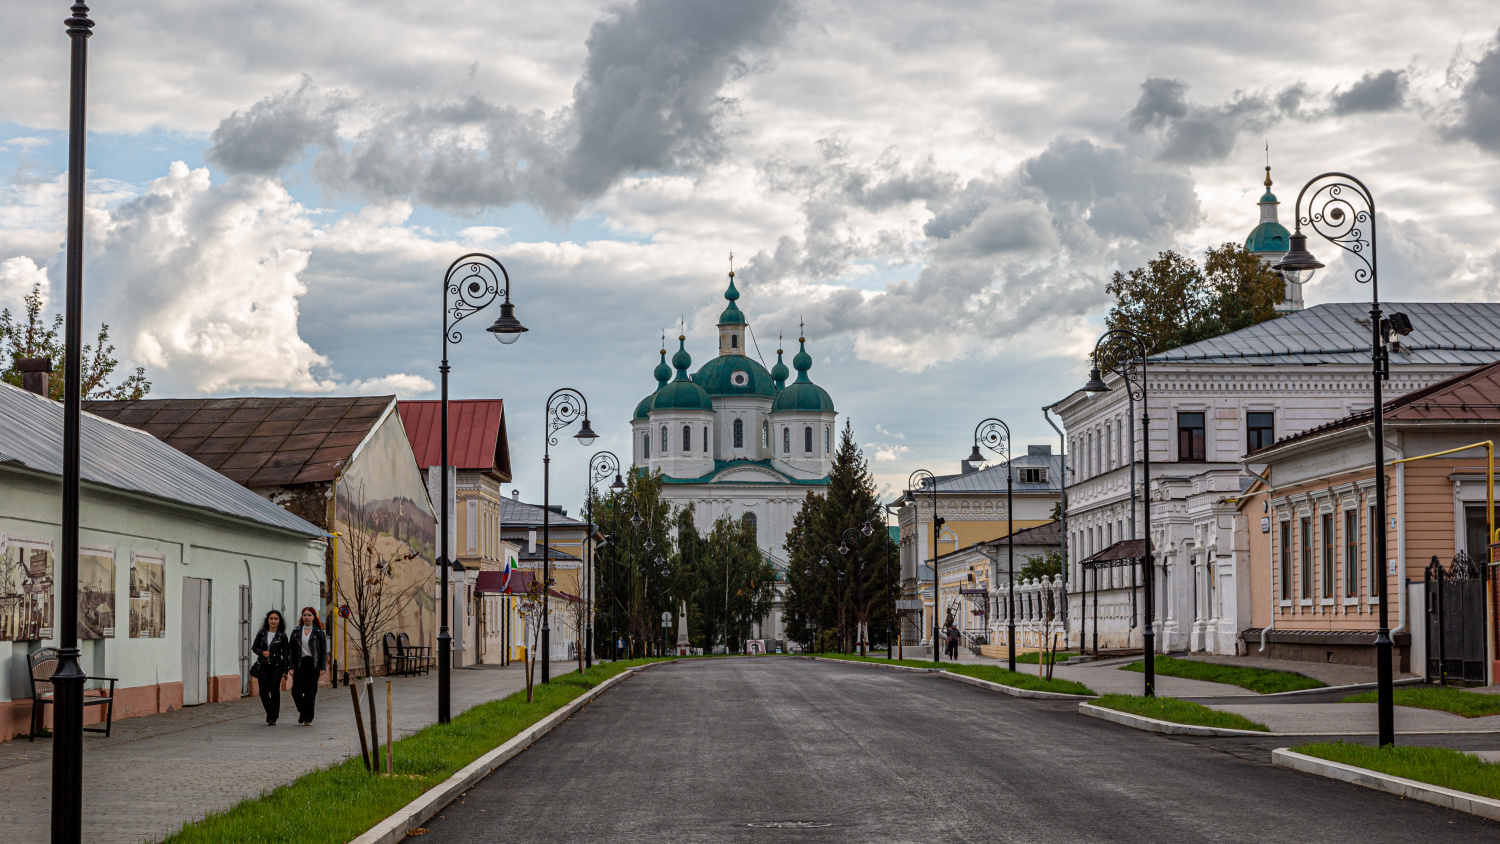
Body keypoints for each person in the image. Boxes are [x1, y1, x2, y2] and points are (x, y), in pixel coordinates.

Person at [287, 606, 328, 726]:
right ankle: (303, 712)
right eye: (304, 615)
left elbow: (323, 651)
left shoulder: (318, 632)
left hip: (313, 664)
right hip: (300, 663)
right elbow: (291, 650)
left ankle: (308, 717)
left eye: (309, 615)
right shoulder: (296, 631)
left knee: (310, 691)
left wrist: (322, 666)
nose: (306, 617)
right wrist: (290, 666)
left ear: (314, 617)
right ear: (302, 617)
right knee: (296, 690)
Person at [251, 610, 289, 725]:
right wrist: (262, 652)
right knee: (263, 691)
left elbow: (286, 654)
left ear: (279, 621)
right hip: (263, 665)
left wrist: (286, 670)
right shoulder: (262, 633)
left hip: (277, 666)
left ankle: (273, 717)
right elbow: (254, 647)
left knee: (274, 689)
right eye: (271, 618)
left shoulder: (282, 635)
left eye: (276, 619)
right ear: (267, 620)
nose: (273, 621)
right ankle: (270, 712)